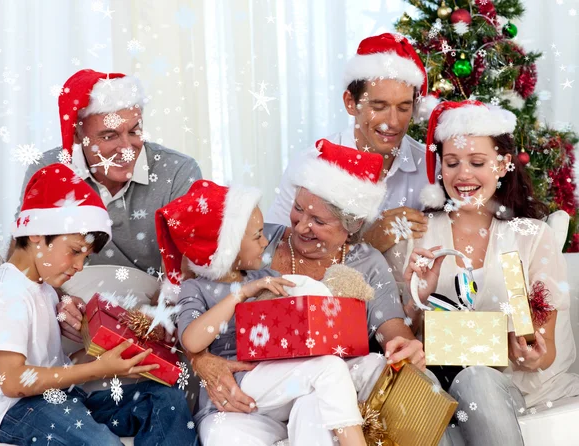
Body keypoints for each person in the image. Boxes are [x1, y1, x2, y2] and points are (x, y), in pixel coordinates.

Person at [188, 140, 432, 445]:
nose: (301, 226)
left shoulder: (367, 262)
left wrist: (406, 346)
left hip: (323, 398)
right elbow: (196, 290)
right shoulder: (257, 243)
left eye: (318, 220)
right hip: (254, 397)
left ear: (351, 224)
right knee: (219, 433)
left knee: (358, 374)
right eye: (298, 209)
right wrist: (199, 359)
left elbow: (391, 331)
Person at [156, 179, 395, 446]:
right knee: (326, 371)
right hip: (239, 387)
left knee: (317, 394)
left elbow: (304, 298)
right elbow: (192, 340)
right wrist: (241, 294)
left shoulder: (265, 276)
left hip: (276, 387)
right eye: (257, 235)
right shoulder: (196, 288)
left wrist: (334, 293)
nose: (266, 241)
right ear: (229, 247)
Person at [0, 163, 198, 446]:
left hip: (63, 397)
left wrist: (107, 343)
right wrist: (99, 369)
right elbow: (12, 381)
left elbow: (53, 361)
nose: (80, 267)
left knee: (165, 399)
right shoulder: (6, 291)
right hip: (16, 410)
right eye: (74, 252)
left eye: (86, 257)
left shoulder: (43, 286)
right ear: (35, 234)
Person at [400, 100, 579, 446]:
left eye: (477, 163)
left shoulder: (530, 236)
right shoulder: (421, 232)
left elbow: (545, 349)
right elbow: (403, 339)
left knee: (475, 379)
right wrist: (416, 300)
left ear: (503, 164)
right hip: (442, 383)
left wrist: (530, 353)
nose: (463, 175)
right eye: (452, 163)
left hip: (518, 388)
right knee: (427, 402)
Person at [19, 69, 202, 344]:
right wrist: (58, 301)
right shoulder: (48, 170)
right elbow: (23, 254)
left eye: (134, 130)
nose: (127, 148)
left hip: (151, 308)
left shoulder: (177, 172)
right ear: (78, 133)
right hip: (67, 307)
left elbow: (192, 261)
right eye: (109, 136)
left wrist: (163, 309)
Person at [266, 33, 439, 253]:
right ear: (350, 103)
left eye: (404, 108)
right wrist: (367, 242)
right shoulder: (312, 165)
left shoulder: (431, 166)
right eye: (379, 106)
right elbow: (276, 251)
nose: (393, 122)